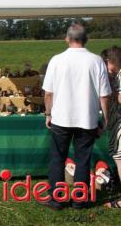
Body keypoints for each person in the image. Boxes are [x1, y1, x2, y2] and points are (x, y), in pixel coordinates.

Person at [42, 23, 111, 210]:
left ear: (67, 38)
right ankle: (80, 200)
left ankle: (56, 199)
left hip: (60, 118)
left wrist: (48, 114)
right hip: (86, 119)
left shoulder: (56, 60)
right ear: (86, 39)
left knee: (57, 159)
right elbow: (104, 95)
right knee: (83, 160)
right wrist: (105, 118)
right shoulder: (96, 61)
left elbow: (48, 93)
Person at [100, 46, 121, 208]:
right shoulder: (114, 75)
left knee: (120, 158)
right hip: (115, 123)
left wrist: (112, 92)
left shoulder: (119, 76)